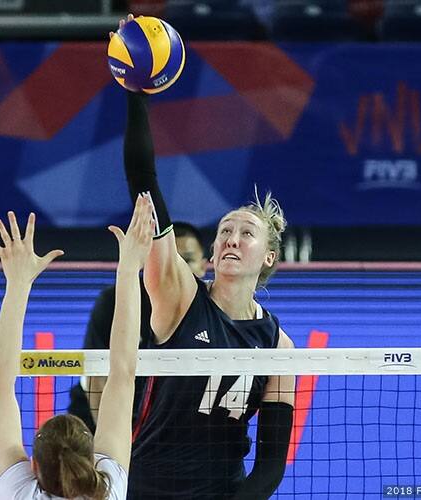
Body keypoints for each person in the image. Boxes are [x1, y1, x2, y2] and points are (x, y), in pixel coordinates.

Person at [114, 16, 296, 500]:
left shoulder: (279, 346)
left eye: (246, 233)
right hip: (148, 487)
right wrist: (135, 93)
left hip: (225, 491)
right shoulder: (178, 296)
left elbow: (271, 465)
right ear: (213, 251)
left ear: (269, 257)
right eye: (225, 232)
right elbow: (144, 184)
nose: (232, 239)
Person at [0, 197, 155, 499]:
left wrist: (18, 284)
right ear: (91, 462)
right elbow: (124, 372)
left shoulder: (19, 493)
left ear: (34, 466)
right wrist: (129, 270)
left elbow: (0, 386)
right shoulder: (109, 490)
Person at [67, 222, 206, 433]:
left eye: (187, 260)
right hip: (100, 422)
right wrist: (116, 443)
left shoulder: (210, 311)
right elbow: (96, 379)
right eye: (170, 260)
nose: (178, 269)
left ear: (204, 266)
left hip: (161, 428)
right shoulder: (114, 300)